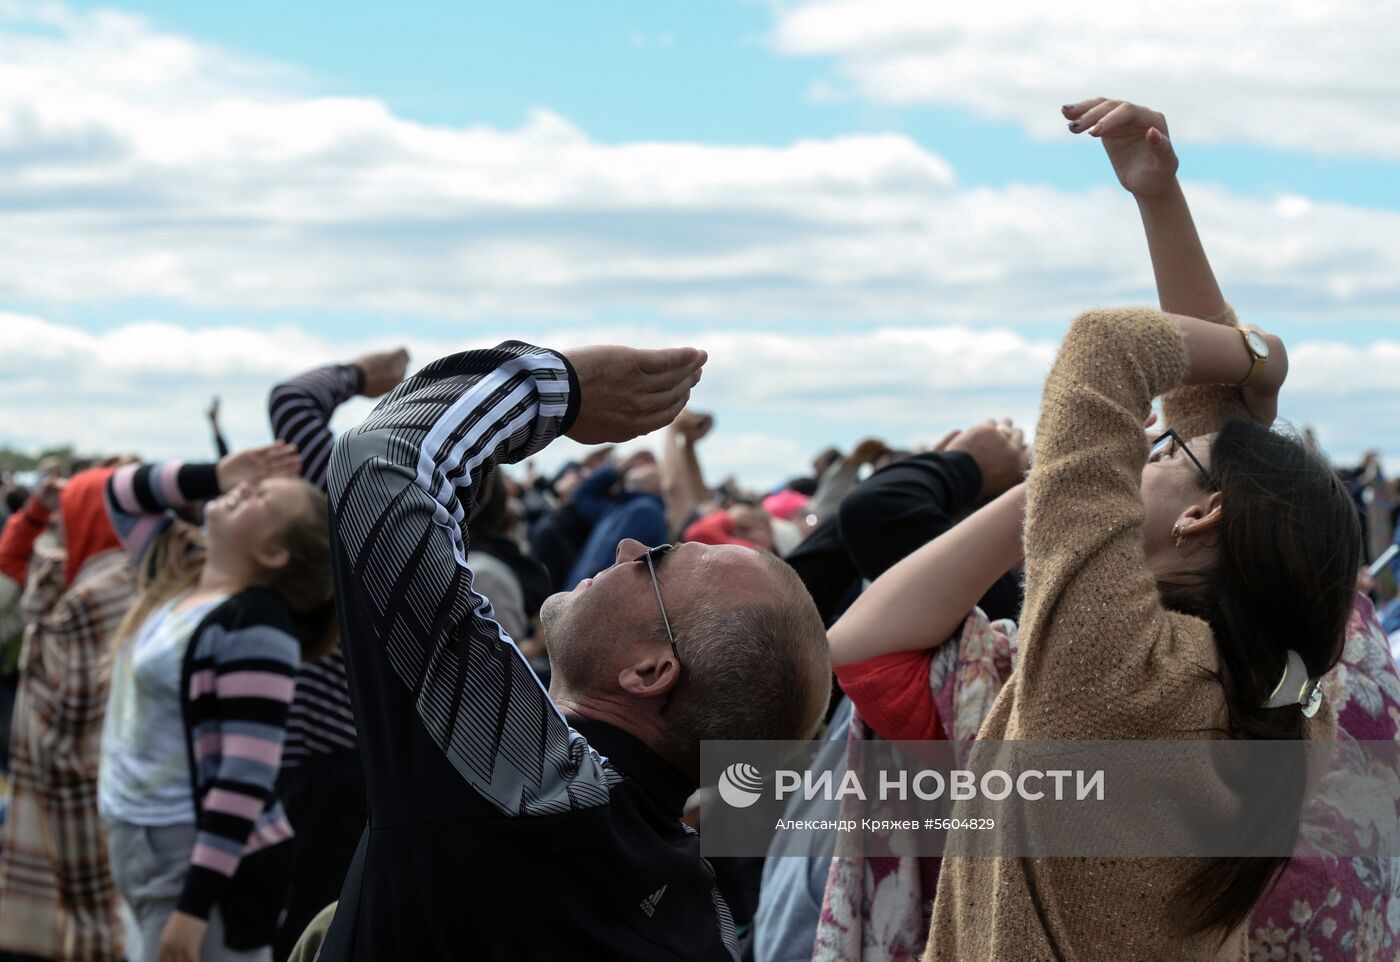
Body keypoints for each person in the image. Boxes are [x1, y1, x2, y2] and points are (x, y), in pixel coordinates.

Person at [898, 98, 1359, 959]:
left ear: (1201, 515)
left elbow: (1105, 348)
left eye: (1161, 451)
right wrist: (1159, 198)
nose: (1143, 448)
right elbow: (1207, 412)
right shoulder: (1285, 700)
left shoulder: (1115, 669)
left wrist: (1266, 358)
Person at [317, 340, 832, 960]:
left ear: (650, 672)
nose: (629, 549)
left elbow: (381, 459)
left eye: (658, 564)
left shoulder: (529, 783)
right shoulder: (698, 913)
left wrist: (558, 390)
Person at [98, 444, 334, 962]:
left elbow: (244, 775)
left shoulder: (257, 624)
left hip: (194, 860)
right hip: (141, 837)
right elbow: (118, 491)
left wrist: (195, 905)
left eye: (262, 500)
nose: (243, 490)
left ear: (274, 554)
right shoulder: (179, 574)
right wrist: (219, 472)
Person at [266, 347, 407, 961]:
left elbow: (292, 400)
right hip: (362, 757)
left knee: (303, 918)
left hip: (315, 766)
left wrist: (360, 376)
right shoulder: (422, 537)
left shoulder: (365, 505)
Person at [0, 470, 136, 962]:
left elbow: (11, 562)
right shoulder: (119, 580)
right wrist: (36, 509)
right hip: (102, 786)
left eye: (69, 513)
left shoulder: (86, 599)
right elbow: (13, 558)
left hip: (85, 792)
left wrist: (37, 511)